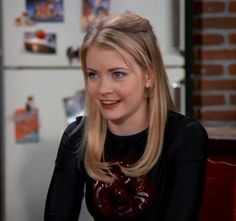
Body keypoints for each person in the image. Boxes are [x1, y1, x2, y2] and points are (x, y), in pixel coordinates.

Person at [44, 12, 208, 221]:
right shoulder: (77, 137)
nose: (102, 89)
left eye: (118, 74)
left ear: (149, 75)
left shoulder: (185, 136)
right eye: (93, 74)